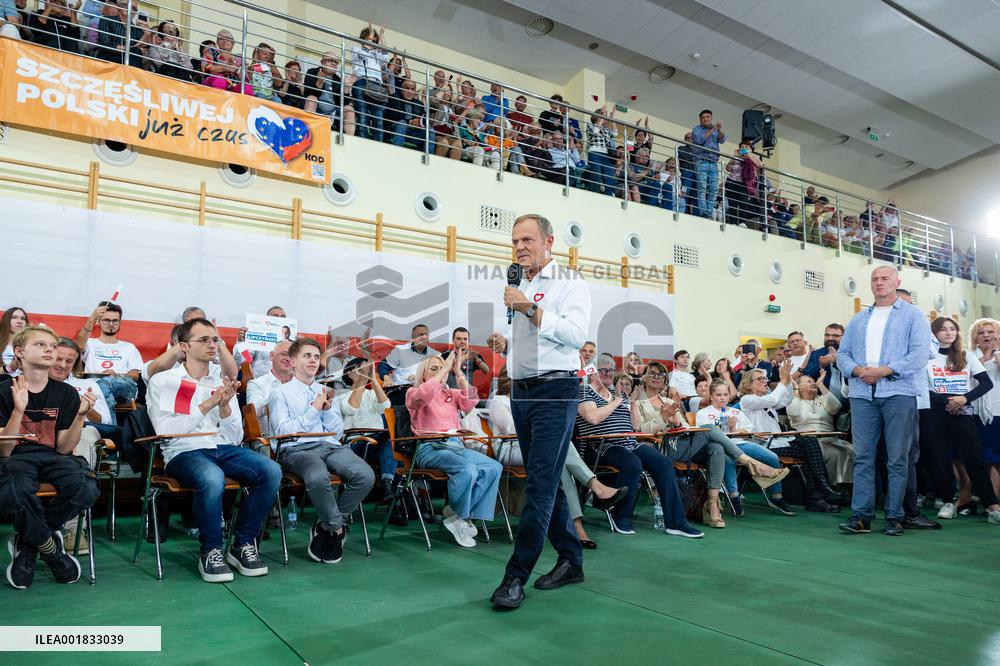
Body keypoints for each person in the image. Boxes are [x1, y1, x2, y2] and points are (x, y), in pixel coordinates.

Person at [486, 213, 593, 610]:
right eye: (515, 241)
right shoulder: (521, 285)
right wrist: (509, 346)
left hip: (557, 391)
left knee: (539, 487)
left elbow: (575, 337)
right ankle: (571, 559)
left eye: (527, 240)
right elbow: (536, 339)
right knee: (544, 480)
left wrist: (529, 309)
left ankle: (515, 576)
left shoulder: (570, 283)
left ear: (549, 241)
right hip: (523, 392)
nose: (520, 247)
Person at [146, 318, 281, 582]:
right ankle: (210, 551)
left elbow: (235, 436)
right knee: (211, 477)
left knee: (271, 471)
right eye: (204, 340)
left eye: (215, 339)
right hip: (184, 449)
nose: (212, 344)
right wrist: (208, 404)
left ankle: (243, 544)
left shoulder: (220, 379)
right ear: (184, 346)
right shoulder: (167, 381)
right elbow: (167, 431)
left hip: (222, 447)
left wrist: (225, 407)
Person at [0, 326, 100, 589]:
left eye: (52, 346)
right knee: (16, 490)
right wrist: (18, 409)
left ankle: (30, 542)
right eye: (41, 345)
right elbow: (4, 450)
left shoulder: (65, 393)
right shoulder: (3, 390)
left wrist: (80, 416)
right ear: (20, 352)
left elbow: (64, 449)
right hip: (16, 457)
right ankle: (50, 550)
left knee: (86, 486)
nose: (49, 350)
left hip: (52, 457)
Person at [837, 266, 933, 536]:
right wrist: (858, 371)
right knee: (863, 457)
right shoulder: (857, 319)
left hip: (898, 392)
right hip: (862, 394)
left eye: (885, 278)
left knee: (897, 459)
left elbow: (919, 355)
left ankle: (895, 516)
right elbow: (843, 355)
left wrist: (884, 370)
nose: (879, 283)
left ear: (897, 282)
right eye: (875, 279)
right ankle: (861, 516)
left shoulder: (914, 316)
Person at [634, 362, 786, 527]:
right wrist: (662, 417)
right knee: (710, 428)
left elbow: (686, 428)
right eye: (653, 373)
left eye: (661, 374)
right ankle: (752, 463)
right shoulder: (637, 402)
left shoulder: (668, 400)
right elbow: (638, 432)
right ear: (644, 377)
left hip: (681, 443)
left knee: (716, 448)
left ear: (665, 380)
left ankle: (712, 504)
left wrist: (677, 422)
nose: (657, 377)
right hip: (659, 449)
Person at [269, 338, 375, 563]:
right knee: (318, 477)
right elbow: (282, 432)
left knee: (365, 476)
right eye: (307, 356)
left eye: (316, 357)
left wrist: (326, 410)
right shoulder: (281, 393)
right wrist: (314, 411)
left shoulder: (326, 390)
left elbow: (336, 432)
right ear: (293, 360)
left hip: (331, 446)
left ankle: (326, 525)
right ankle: (337, 529)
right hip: (297, 449)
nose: (313, 361)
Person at [575, 356, 704, 537]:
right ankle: (621, 516)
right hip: (601, 444)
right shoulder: (583, 391)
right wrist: (618, 401)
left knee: (664, 463)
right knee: (633, 463)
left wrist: (632, 402)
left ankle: (676, 522)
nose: (607, 374)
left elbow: (634, 426)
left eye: (611, 371)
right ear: (592, 372)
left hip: (629, 442)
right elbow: (593, 418)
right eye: (602, 370)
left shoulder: (616, 394)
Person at [406, 353, 501, 548]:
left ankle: (459, 515)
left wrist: (458, 372)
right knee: (467, 469)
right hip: (429, 448)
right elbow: (423, 396)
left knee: (494, 467)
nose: (441, 372)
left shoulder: (449, 393)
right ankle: (460, 517)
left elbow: (470, 402)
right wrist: (443, 369)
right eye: (434, 368)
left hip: (455, 446)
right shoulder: (414, 392)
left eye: (441, 368)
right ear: (423, 374)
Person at [920, 317, 1000, 524]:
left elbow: (985, 384)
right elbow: (920, 387)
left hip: (962, 412)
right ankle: (947, 501)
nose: (949, 333)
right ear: (934, 333)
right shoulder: (924, 357)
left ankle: (992, 505)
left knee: (975, 459)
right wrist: (948, 401)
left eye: (952, 329)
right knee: (939, 459)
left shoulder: (967, 356)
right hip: (934, 414)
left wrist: (964, 399)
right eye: (944, 329)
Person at [738, 364, 841, 512]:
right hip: (765, 445)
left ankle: (820, 492)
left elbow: (785, 400)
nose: (765, 381)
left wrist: (786, 381)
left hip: (779, 441)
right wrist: (783, 380)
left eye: (765, 378)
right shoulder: (747, 400)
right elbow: (774, 399)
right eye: (760, 379)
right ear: (749, 384)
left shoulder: (765, 399)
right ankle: (819, 494)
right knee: (809, 453)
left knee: (810, 441)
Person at [696, 379, 797, 516]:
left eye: (725, 394)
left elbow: (749, 431)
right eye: (718, 395)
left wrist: (735, 429)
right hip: (720, 447)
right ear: (712, 395)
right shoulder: (703, 413)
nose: (722, 398)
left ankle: (776, 496)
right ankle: (734, 496)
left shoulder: (736, 412)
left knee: (772, 457)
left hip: (741, 443)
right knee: (728, 460)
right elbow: (705, 433)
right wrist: (723, 427)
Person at [338, 357, 396, 500]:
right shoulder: (341, 395)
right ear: (350, 373)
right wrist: (361, 382)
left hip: (377, 443)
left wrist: (374, 381)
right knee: (391, 446)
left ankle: (387, 487)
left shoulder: (371, 394)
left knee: (396, 450)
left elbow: (385, 407)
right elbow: (351, 408)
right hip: (355, 443)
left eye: (368, 369)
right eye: (362, 369)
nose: (366, 372)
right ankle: (391, 494)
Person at [74, 301, 142, 420]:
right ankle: (111, 432)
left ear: (120, 323)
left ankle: (106, 429)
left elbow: (134, 375)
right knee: (105, 395)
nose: (111, 324)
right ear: (98, 322)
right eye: (106, 320)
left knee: (106, 383)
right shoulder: (90, 343)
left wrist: (117, 375)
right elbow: (79, 346)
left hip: (124, 387)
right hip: (95, 387)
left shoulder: (129, 347)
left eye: (115, 321)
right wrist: (91, 319)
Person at [787, 372, 855, 485]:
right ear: (799, 386)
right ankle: (833, 486)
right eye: (808, 381)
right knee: (834, 453)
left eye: (814, 381)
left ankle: (849, 486)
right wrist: (795, 390)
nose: (813, 383)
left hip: (832, 439)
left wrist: (820, 384)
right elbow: (793, 413)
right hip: (809, 442)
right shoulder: (795, 401)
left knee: (852, 450)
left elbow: (836, 408)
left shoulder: (822, 399)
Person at [970, 318, 1000, 496]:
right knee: (980, 457)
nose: (986, 335)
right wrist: (984, 358)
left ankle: (994, 498)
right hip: (974, 410)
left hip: (997, 411)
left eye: (990, 331)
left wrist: (995, 354)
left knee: (996, 457)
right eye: (981, 332)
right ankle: (982, 497)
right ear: (975, 337)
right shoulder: (969, 355)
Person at [245, 340, 293, 436]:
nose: (288, 359)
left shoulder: (300, 384)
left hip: (298, 439)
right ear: (271, 355)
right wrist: (281, 391)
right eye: (284, 354)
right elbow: (253, 412)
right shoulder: (256, 384)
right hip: (268, 440)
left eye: (292, 356)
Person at [351, 24, 390, 141]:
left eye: (374, 40)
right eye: (370, 39)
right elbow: (362, 54)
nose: (373, 42)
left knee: (378, 120)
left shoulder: (377, 54)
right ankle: (362, 141)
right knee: (363, 116)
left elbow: (385, 56)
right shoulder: (355, 49)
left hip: (377, 85)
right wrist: (369, 41)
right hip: (362, 82)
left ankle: (378, 145)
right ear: (363, 39)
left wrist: (382, 35)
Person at [303, 51, 356, 135]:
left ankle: (350, 140)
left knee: (349, 109)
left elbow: (342, 104)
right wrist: (319, 82)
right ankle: (307, 133)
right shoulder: (312, 72)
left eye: (336, 62)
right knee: (311, 99)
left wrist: (346, 88)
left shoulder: (338, 80)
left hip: (333, 113)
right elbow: (307, 94)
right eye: (330, 60)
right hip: (316, 109)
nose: (334, 63)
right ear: (322, 62)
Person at [691, 109, 725, 220]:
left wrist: (719, 130)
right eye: (703, 117)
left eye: (708, 117)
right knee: (702, 186)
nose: (706, 119)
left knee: (714, 189)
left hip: (713, 162)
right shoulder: (696, 129)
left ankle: (709, 212)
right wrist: (712, 129)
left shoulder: (715, 130)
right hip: (701, 161)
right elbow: (699, 140)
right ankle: (703, 212)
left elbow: (722, 139)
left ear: (711, 118)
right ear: (700, 119)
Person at [801, 323, 846, 402]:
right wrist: (821, 366)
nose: (830, 338)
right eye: (827, 335)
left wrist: (836, 363)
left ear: (844, 337)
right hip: (823, 402)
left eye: (835, 335)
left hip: (848, 401)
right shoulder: (817, 354)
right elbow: (807, 375)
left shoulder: (849, 353)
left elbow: (853, 373)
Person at [1, 306, 29, 374]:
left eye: (23, 318)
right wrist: (10, 367)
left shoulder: (32, 345)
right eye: (14, 317)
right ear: (6, 320)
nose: (19, 321)